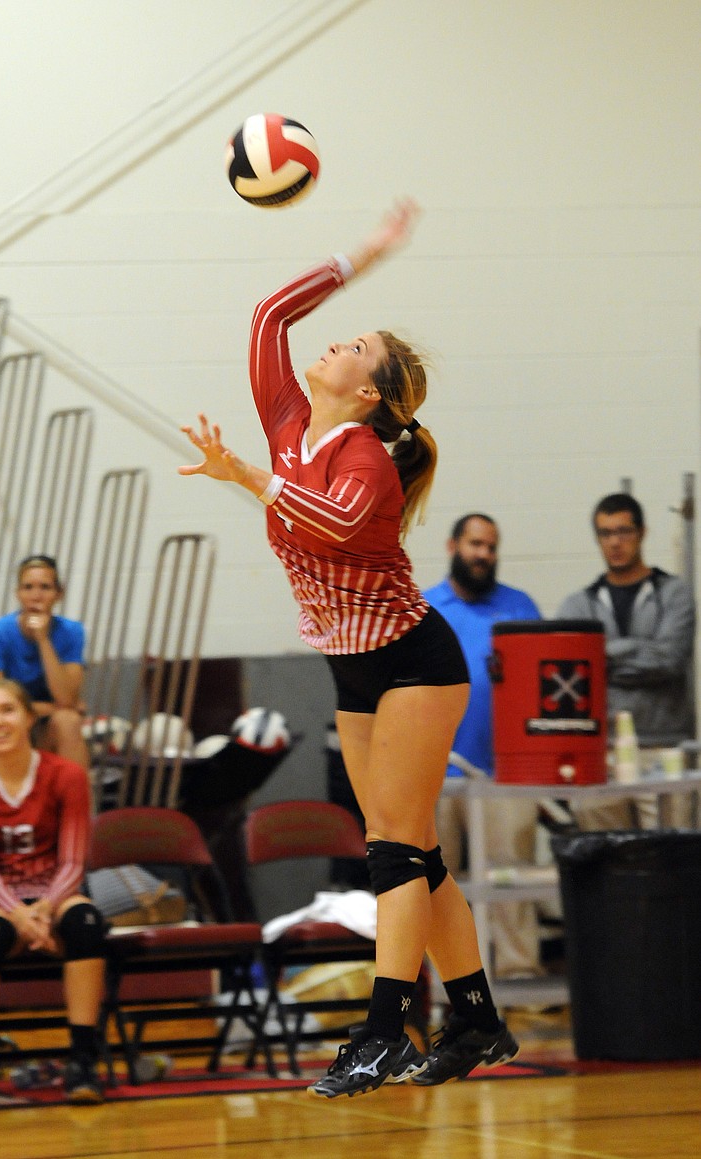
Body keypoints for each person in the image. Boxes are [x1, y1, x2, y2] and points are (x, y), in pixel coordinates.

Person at [178, 200, 518, 1098]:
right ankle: (477, 1016)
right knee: (407, 849)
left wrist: (246, 474)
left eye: (353, 346)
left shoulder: (363, 457)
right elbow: (268, 316)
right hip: (353, 664)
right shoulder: (292, 420)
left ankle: (384, 1034)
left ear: (368, 392)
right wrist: (359, 254)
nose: (330, 345)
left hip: (415, 661)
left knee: (394, 849)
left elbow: (325, 520)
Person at [0, 678, 106, 1108]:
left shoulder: (66, 774)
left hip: (56, 889)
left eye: (7, 710)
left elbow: (73, 860)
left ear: (29, 717)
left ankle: (82, 1062)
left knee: (86, 923)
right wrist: (20, 914)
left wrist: (45, 909)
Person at [424, 513, 545, 980]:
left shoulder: (520, 608)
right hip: (438, 771)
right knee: (439, 885)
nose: (483, 555)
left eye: (491, 547)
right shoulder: (424, 609)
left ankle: (520, 977)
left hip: (506, 773)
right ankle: (450, 990)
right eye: (475, 544)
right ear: (453, 545)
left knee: (511, 878)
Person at [557, 492, 696, 829]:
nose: (615, 542)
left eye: (623, 531)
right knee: (605, 864)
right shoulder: (578, 604)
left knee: (668, 864)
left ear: (641, 533)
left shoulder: (674, 594)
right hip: (599, 753)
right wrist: (638, 652)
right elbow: (572, 671)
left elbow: (669, 659)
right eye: (606, 533)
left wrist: (602, 654)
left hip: (665, 750)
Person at [0, 554, 90, 769]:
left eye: (45, 587)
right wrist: (51, 708)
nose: (36, 596)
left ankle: (77, 800)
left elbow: (66, 699)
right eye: (28, 587)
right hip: (6, 723)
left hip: (44, 727)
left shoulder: (72, 632)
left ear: (58, 594)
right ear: (18, 594)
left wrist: (43, 640)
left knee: (68, 722)